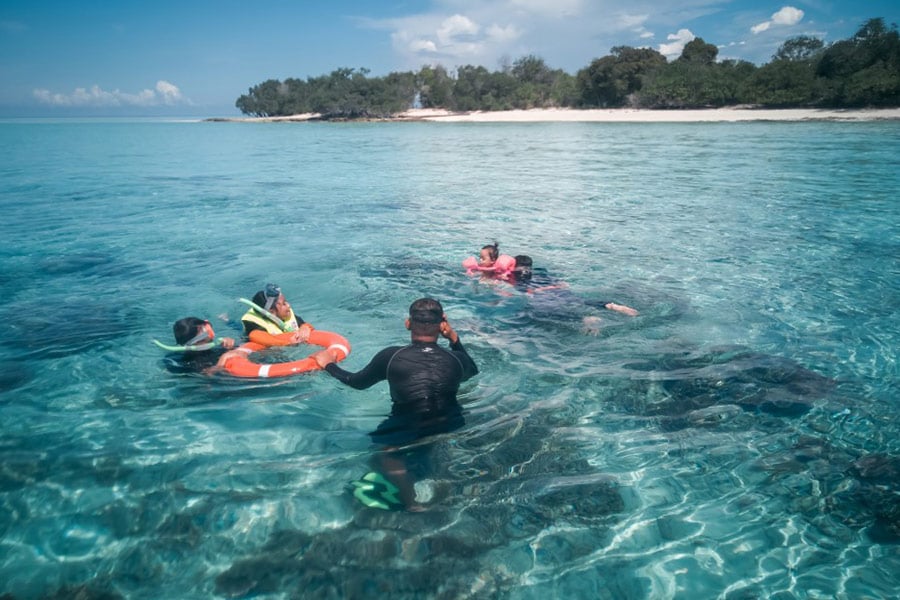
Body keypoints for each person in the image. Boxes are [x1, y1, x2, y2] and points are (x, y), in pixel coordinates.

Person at [313, 297, 478, 511]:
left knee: (386, 453)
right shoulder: (456, 359)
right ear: (442, 324)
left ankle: (411, 502)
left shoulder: (391, 357)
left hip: (408, 423)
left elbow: (356, 383)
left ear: (408, 324)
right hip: (451, 420)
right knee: (433, 441)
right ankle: (446, 483)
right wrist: (454, 338)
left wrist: (328, 365)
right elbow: (472, 370)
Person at [240, 282, 313, 347]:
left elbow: (304, 324)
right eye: (284, 304)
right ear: (272, 312)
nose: (289, 305)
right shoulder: (253, 323)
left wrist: (305, 328)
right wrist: (287, 343)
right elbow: (254, 335)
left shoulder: (287, 315)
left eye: (286, 301)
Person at [162, 317, 236, 374]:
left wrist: (231, 348)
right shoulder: (185, 363)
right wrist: (220, 364)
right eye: (206, 331)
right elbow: (207, 377)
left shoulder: (217, 349)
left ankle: (228, 321)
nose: (211, 334)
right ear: (196, 342)